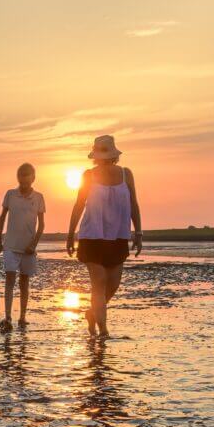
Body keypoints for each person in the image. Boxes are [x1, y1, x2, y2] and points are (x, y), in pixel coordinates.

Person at [66, 136, 142, 338]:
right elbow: (79, 204)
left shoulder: (126, 174)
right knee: (98, 281)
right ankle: (103, 332)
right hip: (92, 235)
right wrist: (70, 233)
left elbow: (133, 203)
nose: (104, 159)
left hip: (118, 236)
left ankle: (93, 314)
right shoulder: (88, 175)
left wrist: (139, 232)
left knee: (113, 284)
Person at [0, 163, 47, 331]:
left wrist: (33, 244)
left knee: (24, 282)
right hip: (10, 246)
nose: (24, 184)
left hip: (28, 249)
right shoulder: (10, 194)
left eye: (27, 181)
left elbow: (41, 225)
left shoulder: (39, 197)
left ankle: (23, 317)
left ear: (33, 179)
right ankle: (8, 316)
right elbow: (2, 217)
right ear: (18, 179)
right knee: (9, 280)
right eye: (21, 180)